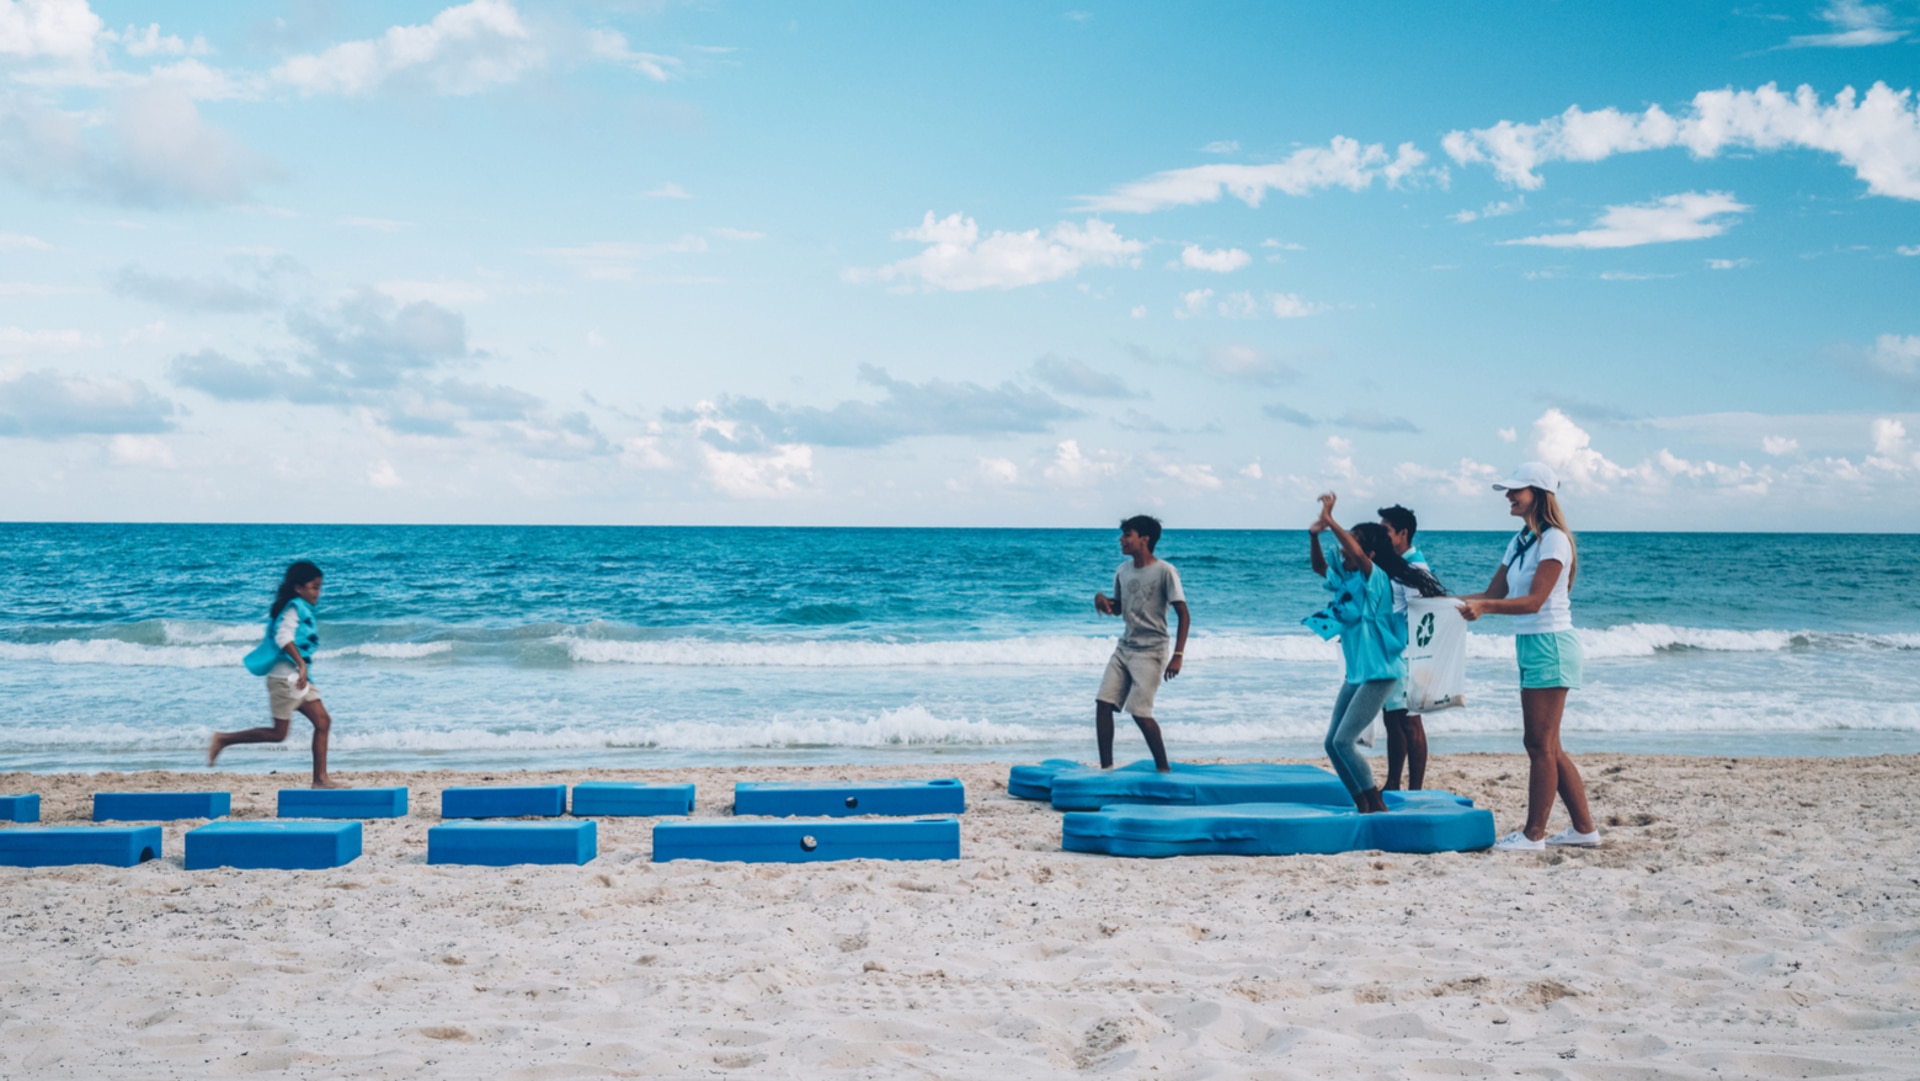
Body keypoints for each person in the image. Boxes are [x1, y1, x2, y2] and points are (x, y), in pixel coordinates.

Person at [1457, 462, 1598, 851]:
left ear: (1538, 493)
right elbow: (1494, 593)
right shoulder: (1521, 541)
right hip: (1531, 645)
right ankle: (1585, 830)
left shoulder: (1554, 540)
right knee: (1548, 745)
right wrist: (1440, 604)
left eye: (1515, 490)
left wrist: (1484, 608)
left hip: (1551, 644)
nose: (1508, 495)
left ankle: (1534, 834)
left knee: (1538, 744)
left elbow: (1535, 602)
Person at [1309, 493, 1446, 813]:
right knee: (1332, 744)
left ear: (1368, 554)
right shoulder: (1350, 578)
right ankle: (1363, 805)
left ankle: (1376, 804)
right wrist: (1314, 535)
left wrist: (1331, 519)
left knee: (1345, 742)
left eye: (1352, 544)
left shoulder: (1378, 580)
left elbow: (1355, 550)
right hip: (1357, 673)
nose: (1344, 548)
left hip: (1381, 672)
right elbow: (1319, 566)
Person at [210, 560, 340, 788]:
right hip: (284, 679)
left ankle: (320, 780)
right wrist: (301, 664)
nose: (318, 592)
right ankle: (223, 739)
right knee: (279, 734)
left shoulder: (301, 607)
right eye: (314, 587)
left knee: (323, 722)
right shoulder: (293, 607)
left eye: (320, 587)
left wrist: (302, 670)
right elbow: (283, 639)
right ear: (299, 588)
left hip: (298, 680)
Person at [1092, 515, 1189, 772]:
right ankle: (1106, 769)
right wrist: (1105, 602)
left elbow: (1183, 613)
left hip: (1152, 651)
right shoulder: (1123, 571)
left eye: (1127, 535)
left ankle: (1163, 769)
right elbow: (1120, 608)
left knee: (1140, 714)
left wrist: (1177, 654)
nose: (1121, 540)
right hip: (1125, 648)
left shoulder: (1165, 571)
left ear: (1144, 539)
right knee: (1103, 703)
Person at [1377, 504, 1432, 791]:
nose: (1383, 536)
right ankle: (1393, 782)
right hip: (1392, 652)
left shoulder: (1415, 566)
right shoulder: (1397, 563)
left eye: (1387, 530)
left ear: (1403, 533)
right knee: (1392, 719)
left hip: (1407, 655)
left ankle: (1415, 789)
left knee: (1410, 722)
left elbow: (1421, 613)